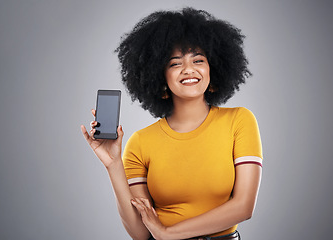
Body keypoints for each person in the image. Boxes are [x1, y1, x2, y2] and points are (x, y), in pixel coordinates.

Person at [81, 7, 262, 240]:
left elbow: (243, 207)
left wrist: (167, 233)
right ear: (160, 78)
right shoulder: (140, 142)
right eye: (175, 63)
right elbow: (140, 232)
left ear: (213, 70)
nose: (189, 69)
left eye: (198, 59)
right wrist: (113, 164)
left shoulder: (239, 120)